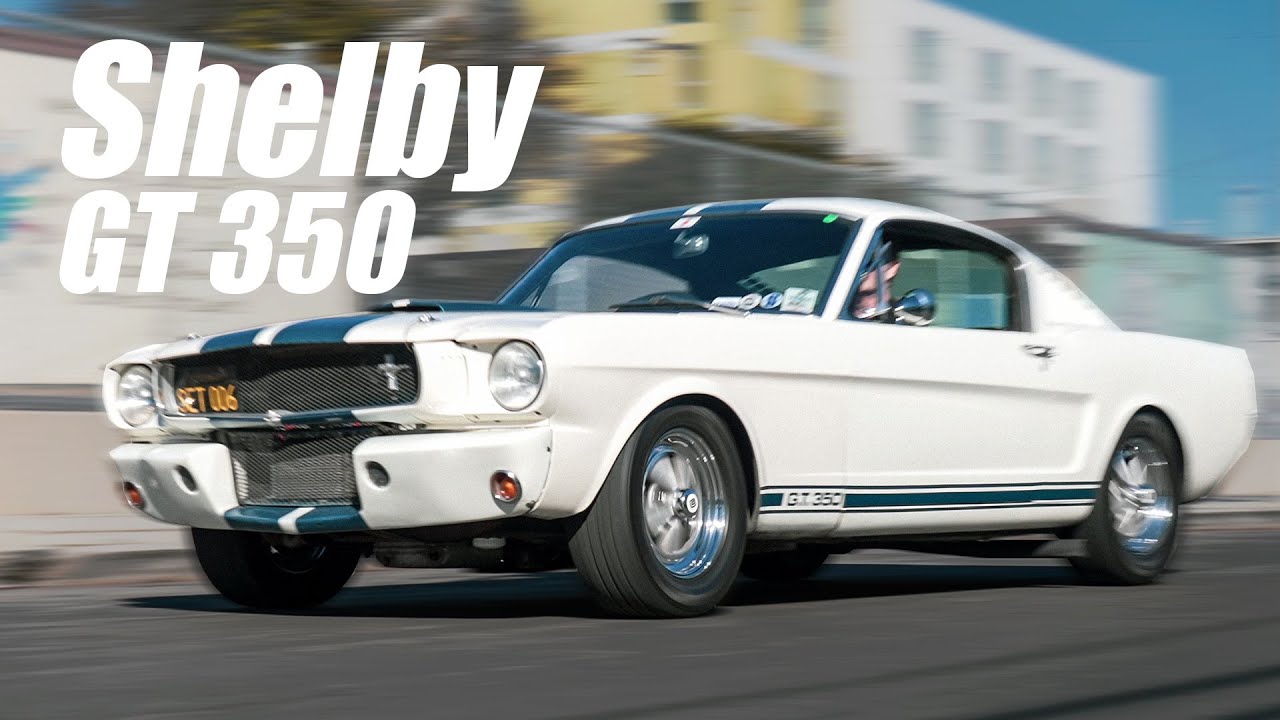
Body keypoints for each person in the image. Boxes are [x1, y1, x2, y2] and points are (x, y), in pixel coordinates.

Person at [852, 242, 901, 319]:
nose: (858, 270)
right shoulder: (832, 303)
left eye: (869, 263)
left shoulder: (899, 323)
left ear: (892, 269)